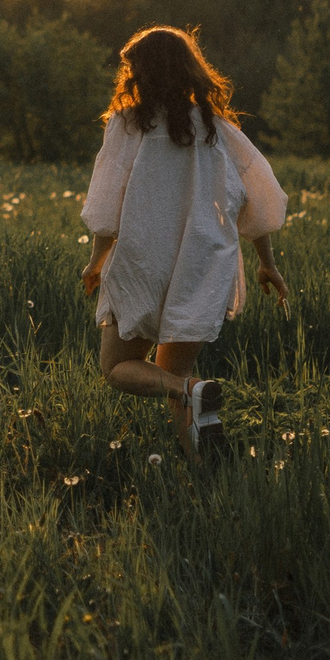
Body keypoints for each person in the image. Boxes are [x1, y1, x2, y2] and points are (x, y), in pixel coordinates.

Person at [79, 25, 289, 457]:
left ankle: (189, 389)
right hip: (205, 260)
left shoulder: (129, 122)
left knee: (118, 367)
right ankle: (205, 465)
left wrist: (97, 259)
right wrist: (267, 263)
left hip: (144, 258)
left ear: (141, 73)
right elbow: (260, 195)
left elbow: (107, 198)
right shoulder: (215, 126)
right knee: (176, 371)